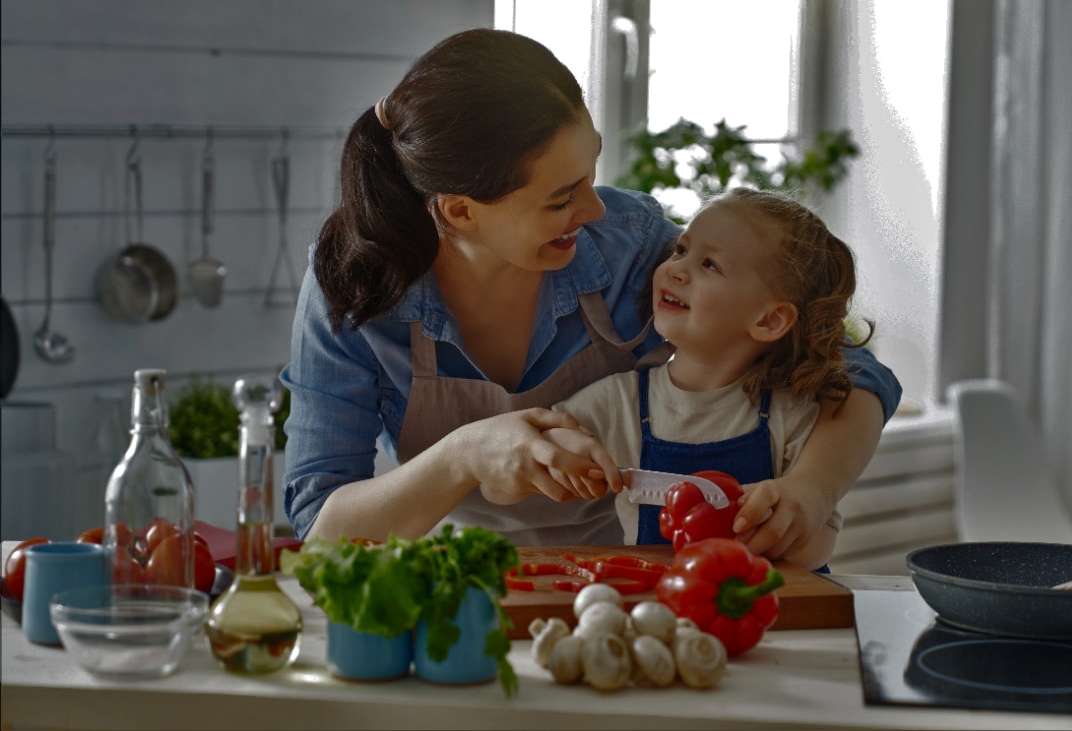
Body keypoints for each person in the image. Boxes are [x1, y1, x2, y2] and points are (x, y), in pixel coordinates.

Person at [280, 28, 902, 553]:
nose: (594, 209)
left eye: (590, 173)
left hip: (620, 584)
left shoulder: (632, 250)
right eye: (560, 198)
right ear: (462, 212)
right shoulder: (354, 286)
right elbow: (321, 532)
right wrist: (462, 455)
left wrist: (813, 492)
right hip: (456, 582)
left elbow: (849, 370)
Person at [548, 188, 865, 570]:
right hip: (656, 612)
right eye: (681, 250)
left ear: (769, 320)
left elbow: (820, 549)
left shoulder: (793, 412)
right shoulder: (617, 402)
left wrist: (776, 530)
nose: (675, 269)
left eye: (710, 265)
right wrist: (560, 454)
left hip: (776, 616)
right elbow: (529, 461)